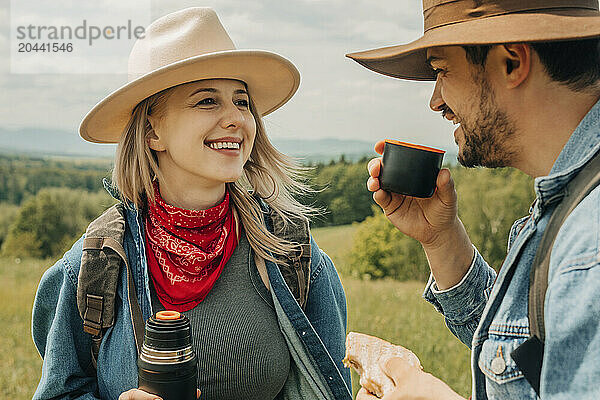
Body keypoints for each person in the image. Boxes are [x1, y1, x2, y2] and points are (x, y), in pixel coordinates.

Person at [31, 7, 352, 400]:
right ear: (152, 131)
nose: (237, 118)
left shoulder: (292, 251)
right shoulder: (95, 264)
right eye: (207, 102)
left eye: (241, 101)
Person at [346, 1, 600, 399]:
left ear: (512, 62)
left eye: (441, 70)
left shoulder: (591, 241)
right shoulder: (573, 199)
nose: (436, 101)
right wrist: (442, 241)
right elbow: (527, 356)